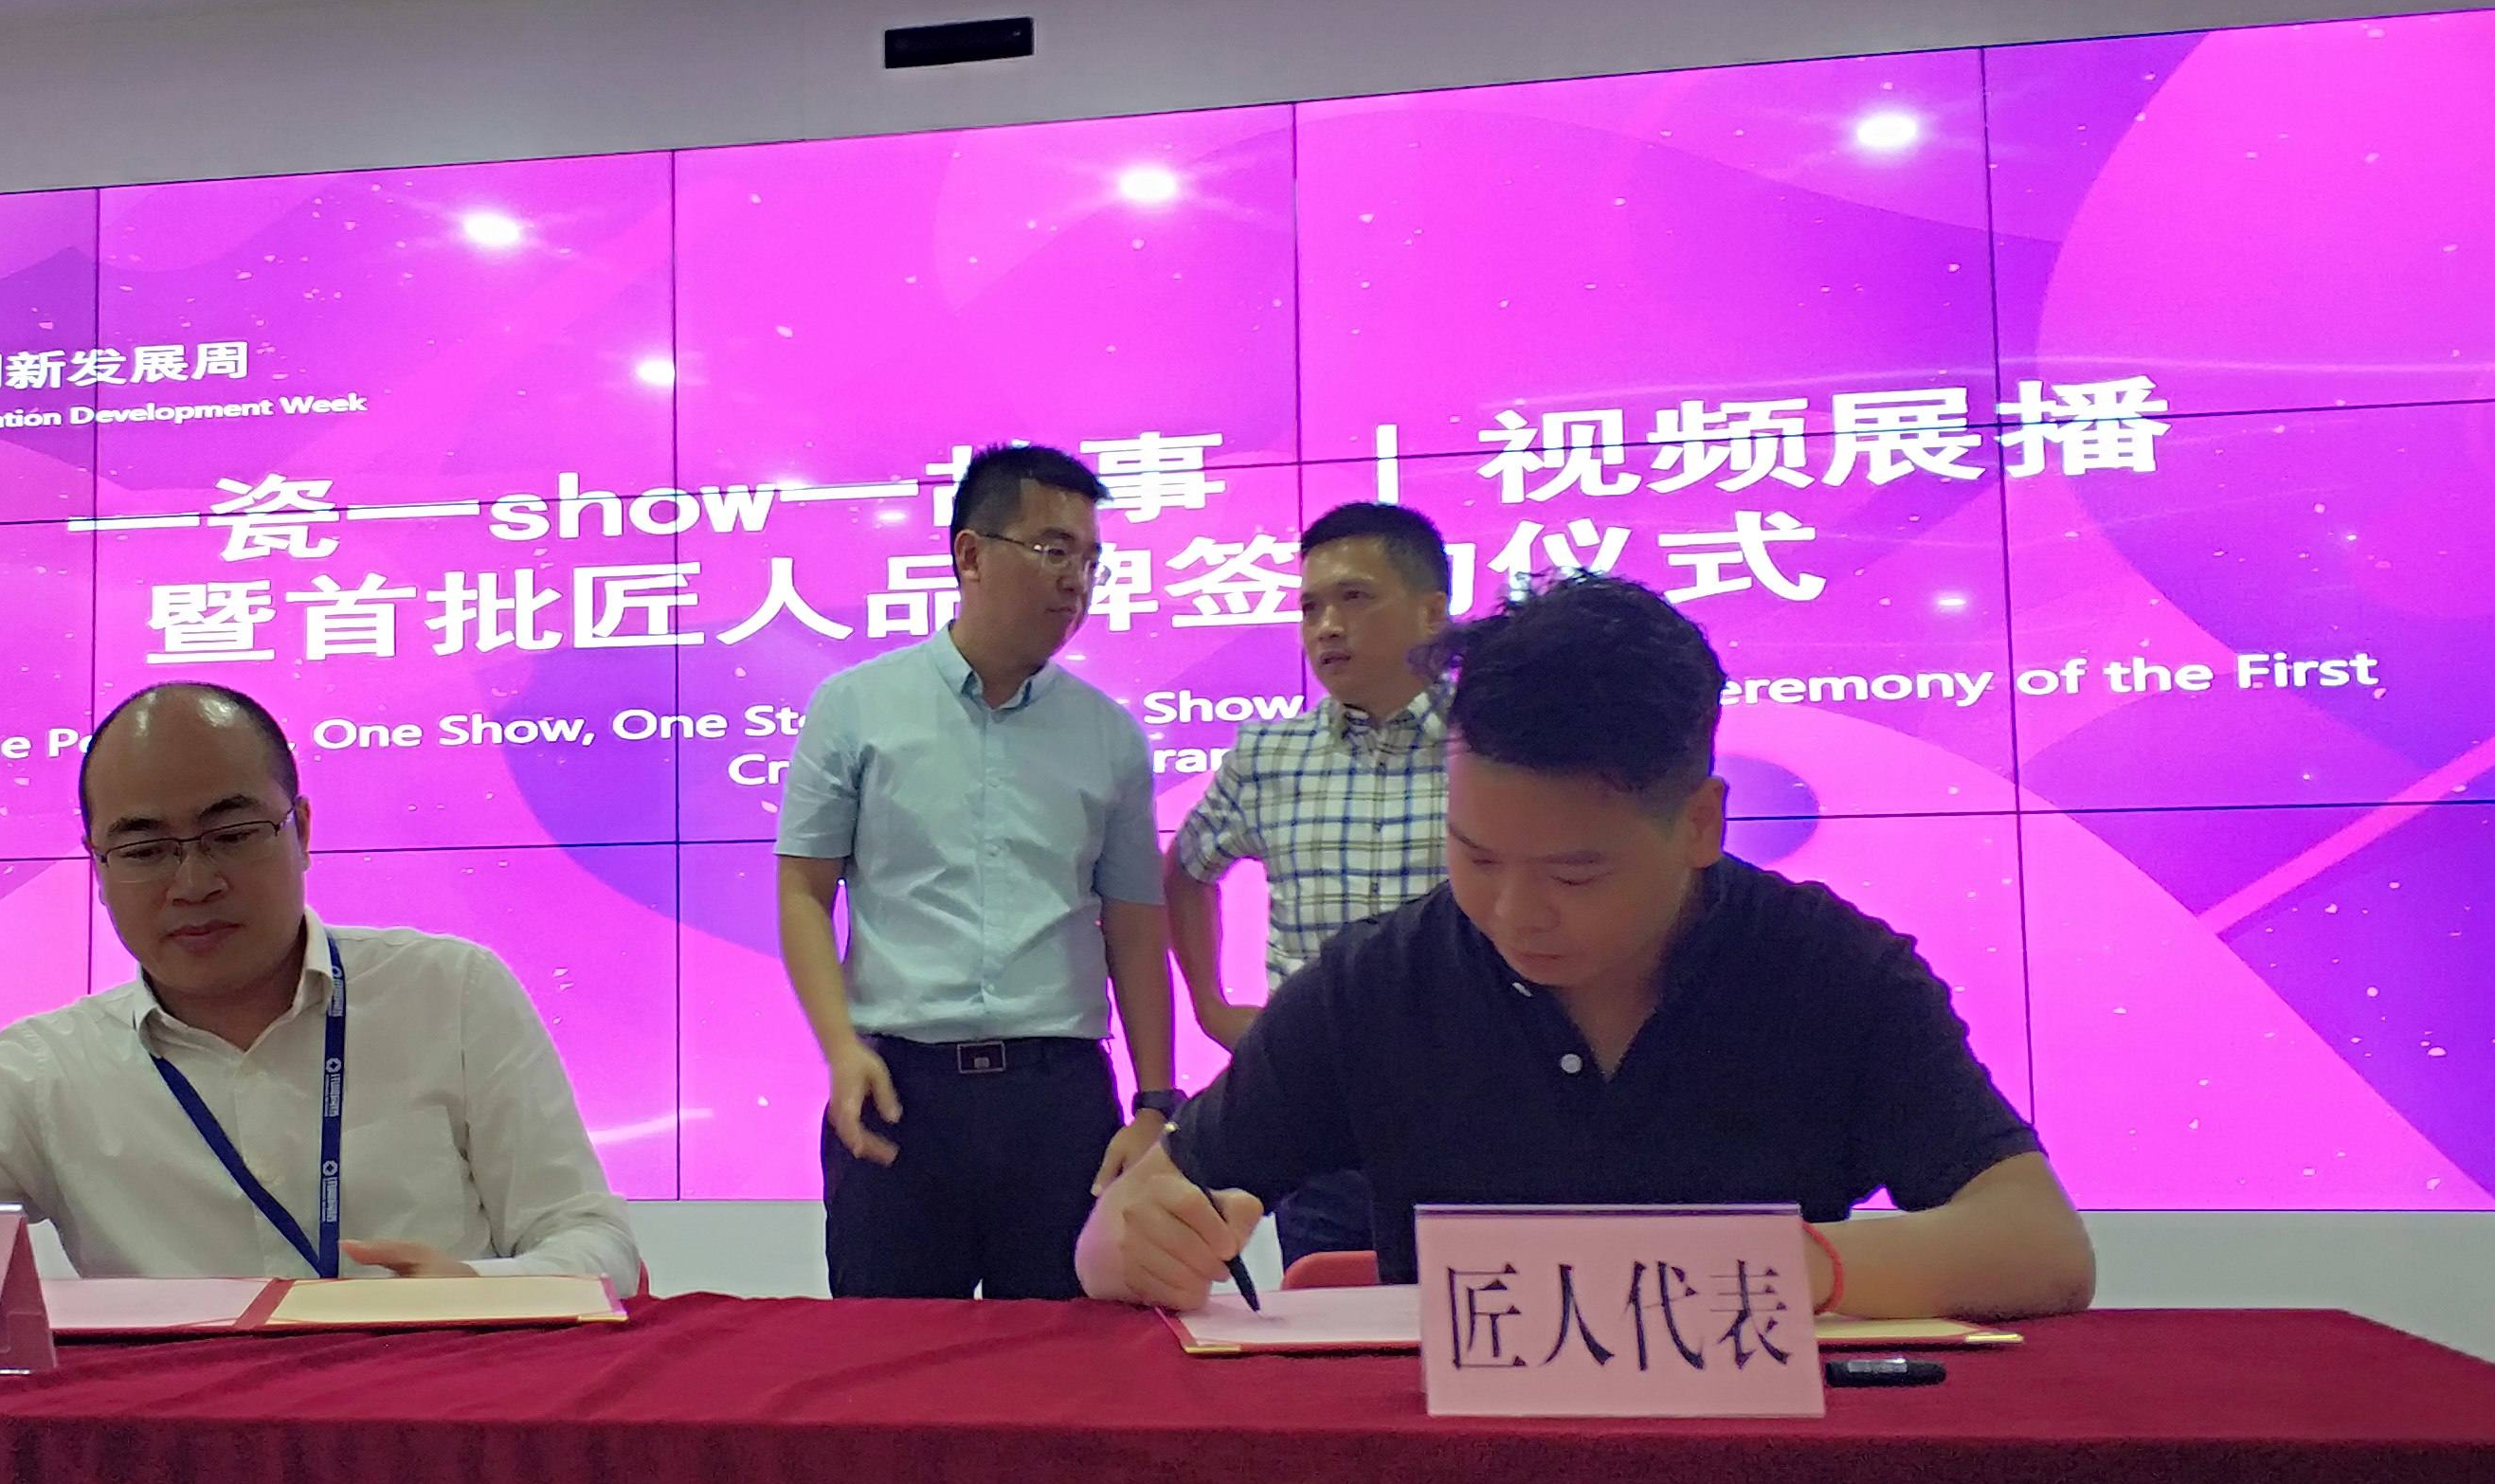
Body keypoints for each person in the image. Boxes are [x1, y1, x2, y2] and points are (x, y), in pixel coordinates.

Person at [1079, 572, 2095, 1322]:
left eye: (1575, 876)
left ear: (1701, 823)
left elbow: (2041, 1245)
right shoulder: (1379, 983)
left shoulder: (1832, 973)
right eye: (1475, 856)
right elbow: (1112, 1238)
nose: (1514, 913)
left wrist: (1784, 1272)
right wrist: (1144, 1241)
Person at [0, 682, 642, 1293]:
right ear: (98, 869)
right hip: (181, 1464)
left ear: (301, 830)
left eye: (231, 834)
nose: (193, 883)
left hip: (434, 1413)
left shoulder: (448, 991)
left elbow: (595, 1241)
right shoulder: (50, 1069)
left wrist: (481, 1291)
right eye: (145, 850)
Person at [775, 441, 1178, 1297]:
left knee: (1066, 1360)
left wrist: (1155, 1101)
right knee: (893, 1362)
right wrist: (840, 1049)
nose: (1076, 581)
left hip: (1059, 1101)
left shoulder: (1109, 735)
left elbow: (1135, 926)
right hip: (899, 1093)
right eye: (1053, 549)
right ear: (970, 555)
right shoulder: (855, 708)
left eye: (1091, 559)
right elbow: (804, 892)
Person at [1163, 500, 1454, 1267]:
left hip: (1468, 1101)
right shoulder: (1269, 755)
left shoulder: (1489, 746)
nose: (1327, 627)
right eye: (1310, 607)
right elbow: (1185, 873)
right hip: (1321, 1110)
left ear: (1432, 613)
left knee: (1479, 1318)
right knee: (1324, 1320)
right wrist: (1210, 1007)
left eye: (1354, 598)